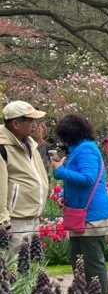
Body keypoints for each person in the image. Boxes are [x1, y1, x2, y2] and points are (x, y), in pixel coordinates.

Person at [50, 114, 108, 294]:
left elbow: (88, 178)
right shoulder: (78, 148)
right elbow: (76, 179)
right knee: (77, 261)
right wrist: (64, 194)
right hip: (80, 214)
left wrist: (60, 170)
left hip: (93, 216)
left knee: (92, 263)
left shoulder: (86, 149)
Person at [0, 101, 50, 261]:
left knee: (31, 271)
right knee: (13, 272)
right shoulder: (3, 148)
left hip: (32, 219)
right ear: (15, 123)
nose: (34, 124)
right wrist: (4, 223)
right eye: (30, 120)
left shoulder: (29, 144)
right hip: (15, 223)